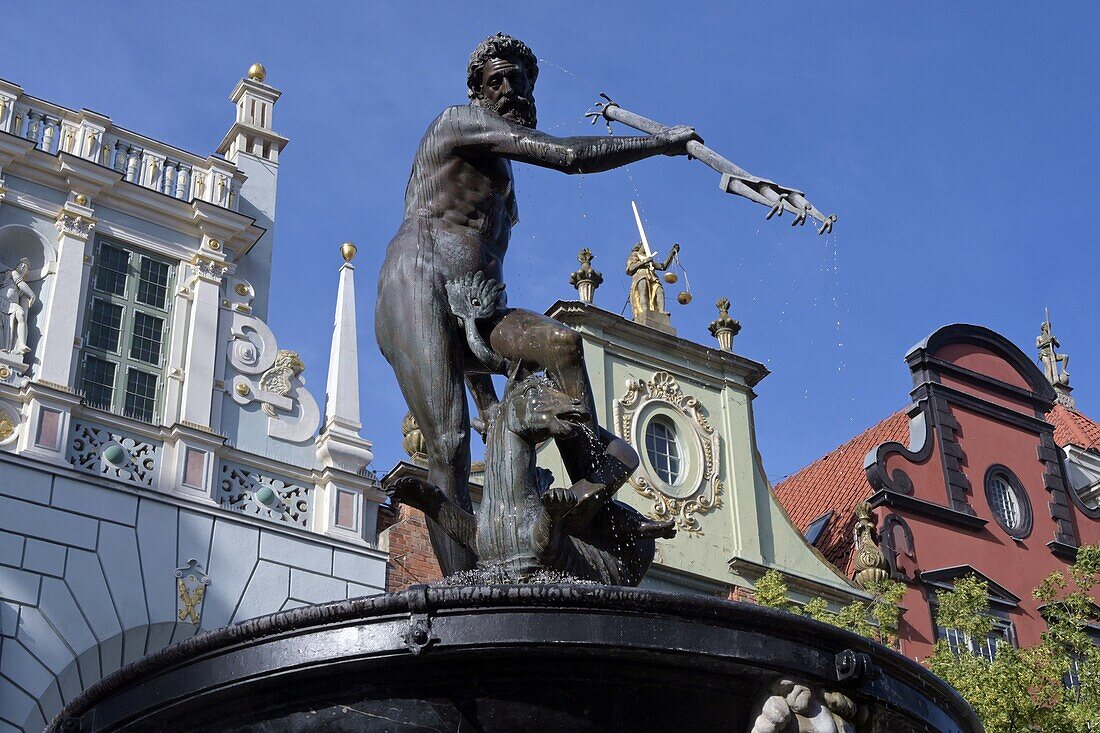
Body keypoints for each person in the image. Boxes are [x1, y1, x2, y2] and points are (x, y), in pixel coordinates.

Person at [375, 33, 700, 574]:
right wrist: (660, 142)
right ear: (477, 92)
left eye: (519, 81)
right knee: (449, 442)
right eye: (496, 81)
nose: (509, 90)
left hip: (470, 307)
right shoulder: (457, 122)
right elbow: (570, 155)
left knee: (561, 344)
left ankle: (590, 486)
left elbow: (479, 291)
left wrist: (486, 397)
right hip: (414, 280)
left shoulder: (502, 181)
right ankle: (464, 592)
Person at [0, 258, 34, 355]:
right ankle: (2, 347)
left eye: (25, 267)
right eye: (21, 264)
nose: (23, 267)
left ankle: (21, 344)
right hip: (2, 300)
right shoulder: (13, 273)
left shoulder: (23, 285)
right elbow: (20, 283)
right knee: (1, 325)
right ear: (17, 266)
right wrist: (32, 295)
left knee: (21, 313)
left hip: (11, 304)